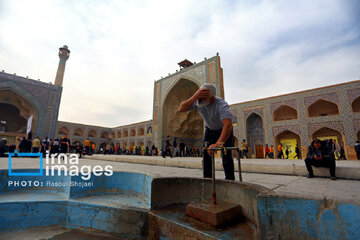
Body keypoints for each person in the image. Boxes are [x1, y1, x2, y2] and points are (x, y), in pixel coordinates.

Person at [179, 83, 235, 180]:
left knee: (226, 157)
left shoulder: (221, 104)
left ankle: (230, 182)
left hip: (224, 131)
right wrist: (195, 96)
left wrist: (218, 143)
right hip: (210, 131)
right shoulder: (198, 101)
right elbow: (181, 108)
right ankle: (208, 182)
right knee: (206, 158)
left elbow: (228, 125)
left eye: (203, 99)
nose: (200, 102)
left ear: (212, 98)